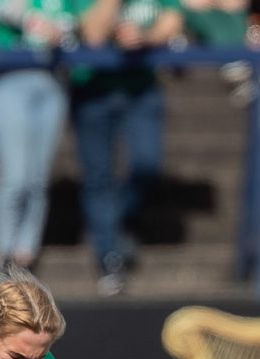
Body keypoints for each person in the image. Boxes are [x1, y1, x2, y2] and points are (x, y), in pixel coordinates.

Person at [72, 0, 183, 296]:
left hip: (141, 88)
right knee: (99, 176)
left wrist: (146, 37)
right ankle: (110, 257)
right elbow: (93, 35)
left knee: (148, 165)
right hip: (94, 89)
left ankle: (116, 224)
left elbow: (174, 19)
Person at [0, 0, 75, 273]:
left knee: (38, 177)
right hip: (9, 80)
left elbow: (71, 23)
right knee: (15, 175)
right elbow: (2, 9)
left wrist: (59, 29)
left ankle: (26, 251)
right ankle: (3, 250)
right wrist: (42, 24)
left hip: (50, 83)